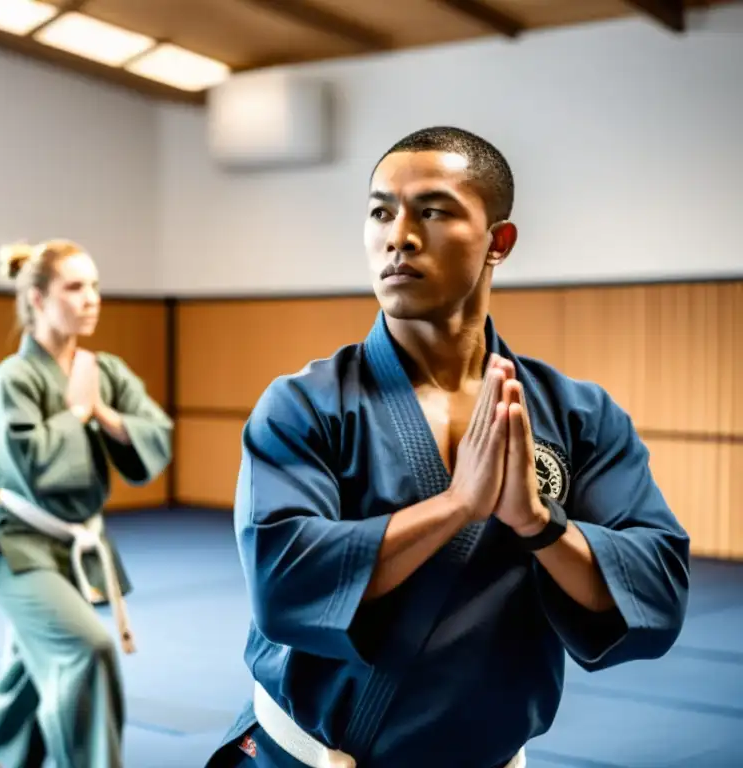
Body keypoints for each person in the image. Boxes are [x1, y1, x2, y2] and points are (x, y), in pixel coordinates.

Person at [206, 127, 690, 768]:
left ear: (499, 241)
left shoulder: (577, 415)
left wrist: (540, 525)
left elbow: (656, 587)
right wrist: (458, 506)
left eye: (432, 211)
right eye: (381, 211)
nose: (398, 235)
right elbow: (284, 581)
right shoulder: (307, 405)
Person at [0, 239, 174, 768]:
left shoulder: (105, 370)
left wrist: (101, 410)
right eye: (75, 287)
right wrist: (76, 413)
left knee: (29, 667)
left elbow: (157, 434)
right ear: (36, 298)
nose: (91, 298)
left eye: (95, 286)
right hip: (17, 544)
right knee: (87, 651)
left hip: (77, 542)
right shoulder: (13, 379)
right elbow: (32, 463)